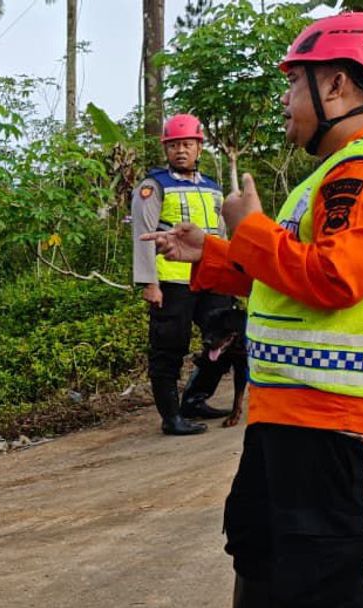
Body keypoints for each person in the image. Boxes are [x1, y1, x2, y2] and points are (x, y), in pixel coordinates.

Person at [143, 13, 363, 608]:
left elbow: (335, 278)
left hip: (326, 409)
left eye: (293, 84)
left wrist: (249, 227)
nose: (285, 101)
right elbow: (285, 276)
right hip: (290, 406)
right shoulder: (335, 172)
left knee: (329, 565)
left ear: (335, 84)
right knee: (257, 531)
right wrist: (213, 252)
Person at [131, 113, 235, 436]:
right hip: (172, 280)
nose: (180, 151)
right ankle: (171, 416)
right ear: (166, 149)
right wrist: (150, 283)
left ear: (199, 147)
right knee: (168, 349)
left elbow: (220, 233)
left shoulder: (212, 188)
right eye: (174, 145)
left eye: (187, 144)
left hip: (211, 277)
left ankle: (195, 398)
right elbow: (142, 233)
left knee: (228, 340)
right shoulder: (154, 185)